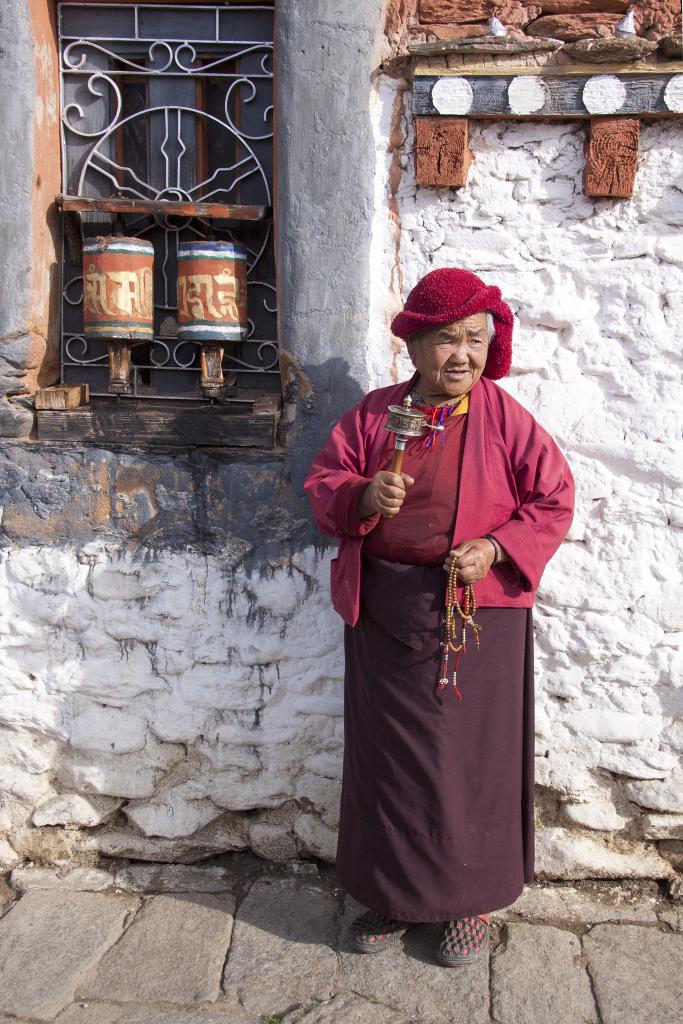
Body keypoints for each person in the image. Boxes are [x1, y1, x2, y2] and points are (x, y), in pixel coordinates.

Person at [303, 268, 574, 967]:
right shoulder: (372, 416)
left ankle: (469, 902)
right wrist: (363, 496)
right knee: (389, 762)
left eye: (475, 339)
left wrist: (494, 546)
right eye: (446, 339)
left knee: (470, 765)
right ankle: (391, 897)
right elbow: (324, 485)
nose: (462, 354)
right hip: (385, 614)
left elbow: (552, 499)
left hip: (475, 619)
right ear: (415, 345)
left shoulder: (506, 420)